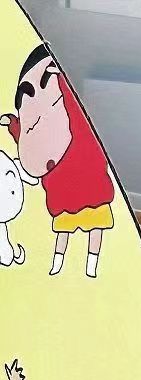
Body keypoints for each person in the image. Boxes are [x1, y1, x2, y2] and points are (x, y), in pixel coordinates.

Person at [3, 45, 115, 278]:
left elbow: (75, 112)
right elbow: (29, 139)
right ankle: (59, 261)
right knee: (63, 232)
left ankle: (91, 263)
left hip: (92, 192)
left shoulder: (80, 133)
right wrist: (14, 124)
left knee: (96, 228)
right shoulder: (43, 146)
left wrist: (63, 81)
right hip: (63, 199)